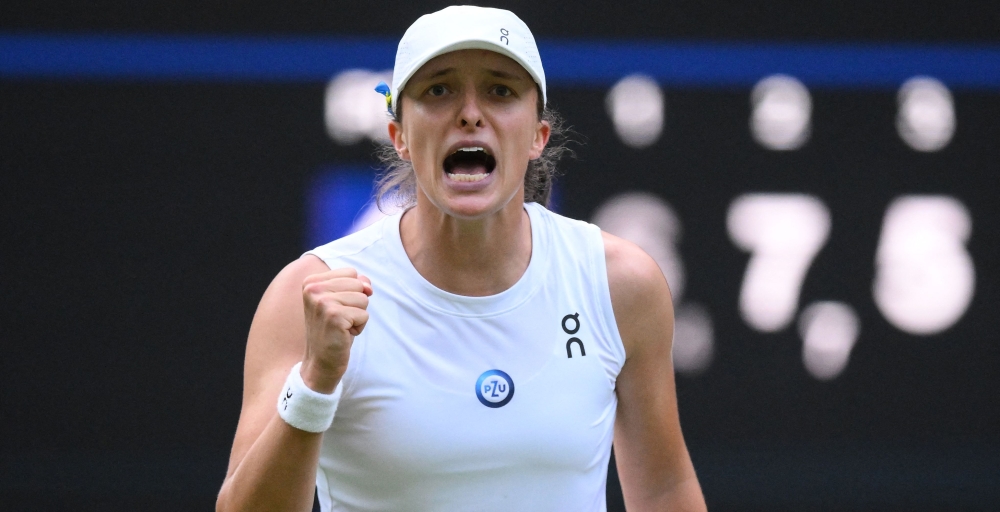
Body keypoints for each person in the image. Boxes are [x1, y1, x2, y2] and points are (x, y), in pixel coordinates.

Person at [216, 6, 705, 511]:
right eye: (439, 90)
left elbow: (664, 492)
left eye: (500, 91)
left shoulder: (619, 283)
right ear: (400, 137)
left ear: (537, 136)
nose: (470, 113)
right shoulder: (310, 293)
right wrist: (315, 383)